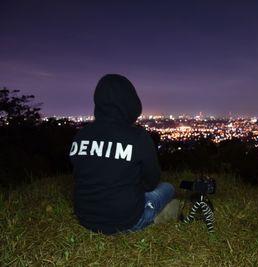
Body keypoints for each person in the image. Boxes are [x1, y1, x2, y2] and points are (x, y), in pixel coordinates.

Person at [69, 74, 177, 234]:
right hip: (127, 220)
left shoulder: (81, 135)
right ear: (131, 102)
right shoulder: (138, 137)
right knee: (168, 188)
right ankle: (154, 216)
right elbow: (151, 183)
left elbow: (80, 175)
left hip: (85, 218)